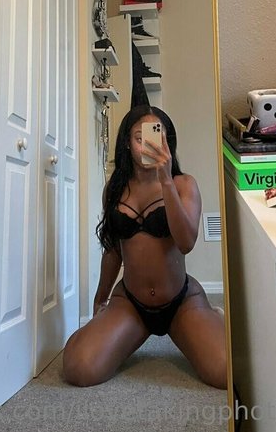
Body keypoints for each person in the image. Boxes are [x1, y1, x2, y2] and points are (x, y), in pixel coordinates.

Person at [62, 105, 227, 389]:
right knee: (79, 370)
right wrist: (101, 299)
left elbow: (186, 242)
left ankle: (212, 316)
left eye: (156, 136)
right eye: (140, 138)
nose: (148, 145)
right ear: (127, 142)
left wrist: (165, 180)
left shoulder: (184, 184)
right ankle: (103, 331)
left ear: (167, 141)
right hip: (131, 302)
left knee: (225, 372)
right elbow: (113, 249)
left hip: (181, 301)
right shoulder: (115, 190)